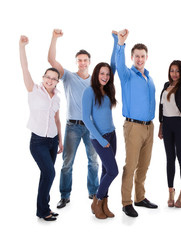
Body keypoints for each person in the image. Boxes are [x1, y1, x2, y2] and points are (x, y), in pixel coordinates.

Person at [48, 29, 99, 208]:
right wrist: (54, 38)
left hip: (91, 127)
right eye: (80, 60)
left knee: (93, 161)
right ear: (76, 62)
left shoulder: (96, 80)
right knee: (67, 163)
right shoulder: (68, 76)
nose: (82, 63)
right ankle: (65, 195)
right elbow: (51, 61)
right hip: (73, 127)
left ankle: (94, 192)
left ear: (89, 62)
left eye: (85, 60)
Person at [111, 29, 157, 217]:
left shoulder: (149, 77)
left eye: (142, 56)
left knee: (144, 165)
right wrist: (120, 44)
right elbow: (118, 63)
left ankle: (140, 197)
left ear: (146, 57)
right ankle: (126, 202)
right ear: (132, 56)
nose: (140, 59)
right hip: (133, 126)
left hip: (149, 126)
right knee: (131, 165)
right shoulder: (127, 75)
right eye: (137, 56)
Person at [20, 35, 63, 221]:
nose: (50, 80)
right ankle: (43, 210)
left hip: (53, 140)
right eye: (48, 77)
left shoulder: (57, 98)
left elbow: (57, 119)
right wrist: (21, 46)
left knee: (46, 175)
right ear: (43, 77)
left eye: (54, 79)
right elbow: (24, 67)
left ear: (57, 82)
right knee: (49, 173)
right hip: (38, 142)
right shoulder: (33, 90)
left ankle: (44, 208)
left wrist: (60, 140)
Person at [158, 45, 181, 208]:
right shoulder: (166, 85)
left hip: (180, 124)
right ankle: (171, 191)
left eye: (177, 71)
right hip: (166, 124)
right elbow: (161, 106)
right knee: (169, 159)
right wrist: (160, 125)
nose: (174, 73)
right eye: (172, 70)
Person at [82, 62, 119, 219]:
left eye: (107, 74)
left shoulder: (108, 90)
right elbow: (86, 118)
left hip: (112, 134)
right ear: (96, 74)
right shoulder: (89, 91)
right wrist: (100, 139)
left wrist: (116, 43)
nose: (105, 76)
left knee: (106, 171)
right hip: (99, 138)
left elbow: (114, 65)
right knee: (113, 171)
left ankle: (104, 204)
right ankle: (96, 201)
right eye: (102, 73)